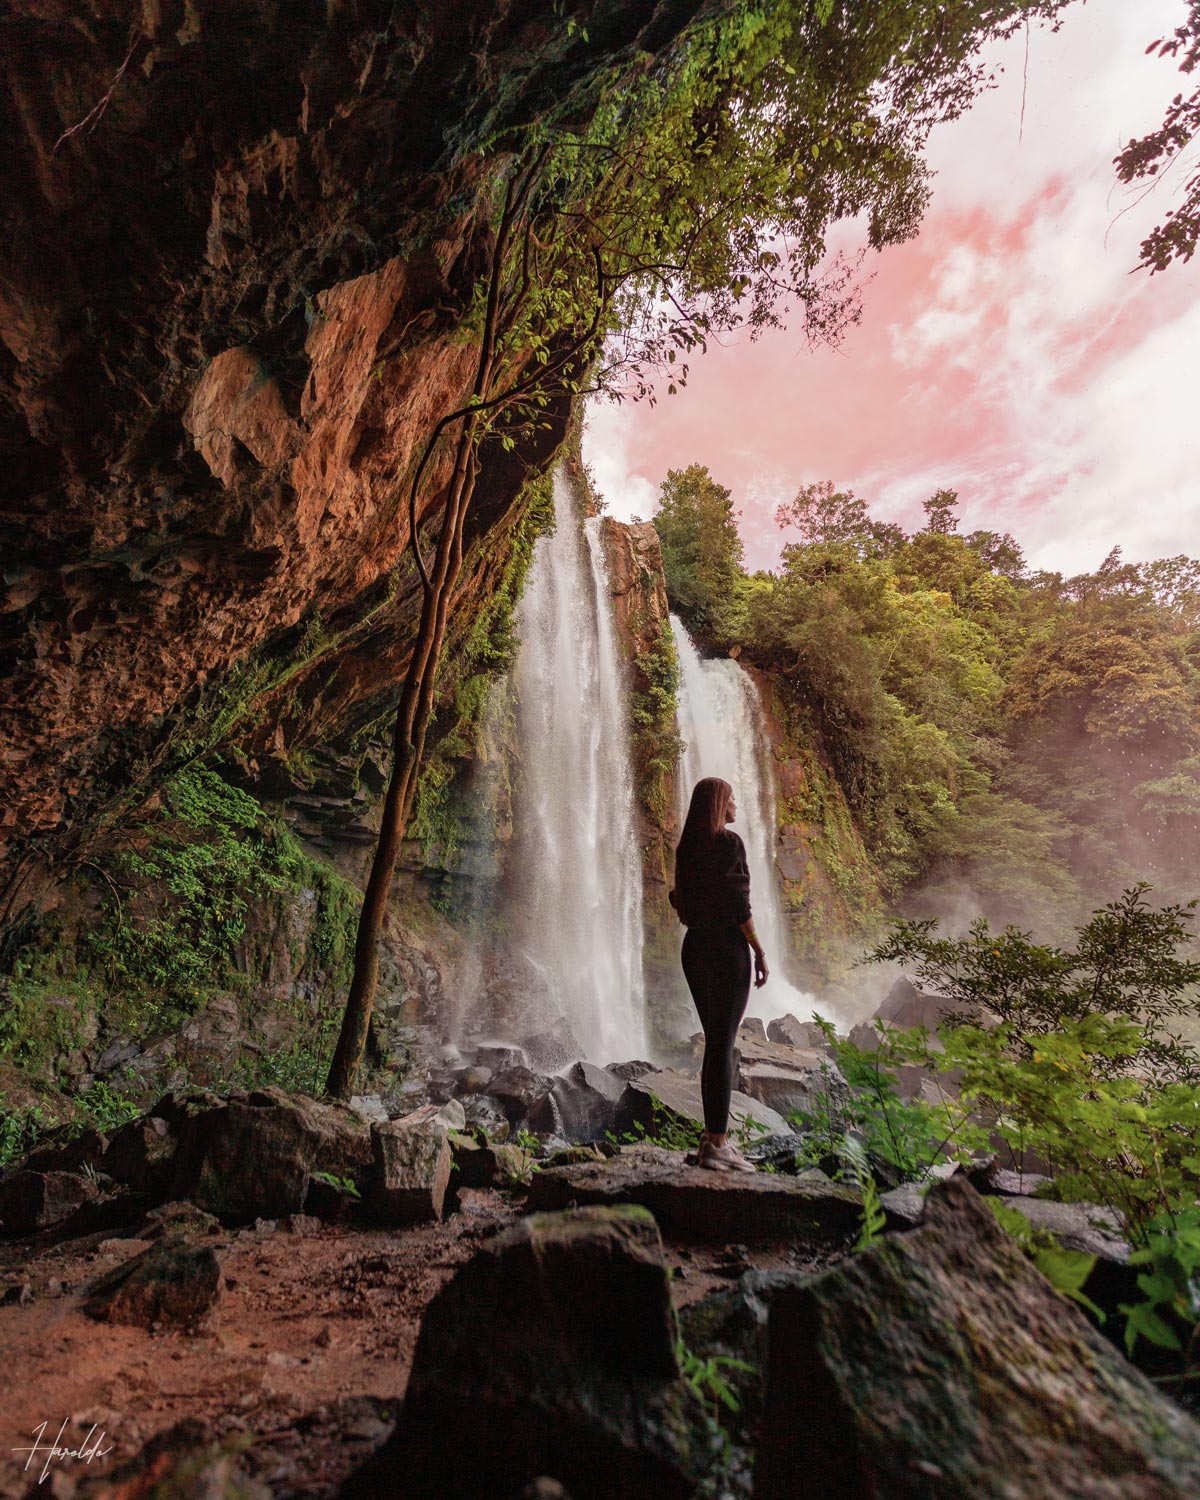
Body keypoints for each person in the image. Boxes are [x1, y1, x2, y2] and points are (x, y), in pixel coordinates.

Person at [668, 776, 768, 1172]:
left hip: (694, 948)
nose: (736, 804)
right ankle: (719, 1145)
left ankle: (711, 1139)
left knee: (714, 1042)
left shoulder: (686, 849)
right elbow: (739, 903)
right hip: (727, 949)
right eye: (731, 798)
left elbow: (680, 899)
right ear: (718, 804)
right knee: (722, 1045)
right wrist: (758, 949)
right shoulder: (728, 844)